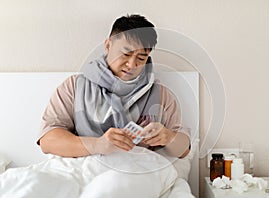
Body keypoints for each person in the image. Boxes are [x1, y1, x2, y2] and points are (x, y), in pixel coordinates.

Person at [37, 14, 190, 159]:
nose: (131, 64)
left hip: (137, 173)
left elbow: (184, 151)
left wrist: (169, 137)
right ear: (108, 45)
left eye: (141, 58)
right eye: (125, 54)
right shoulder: (74, 87)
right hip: (85, 170)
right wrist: (97, 145)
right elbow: (47, 141)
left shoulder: (161, 95)